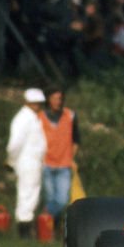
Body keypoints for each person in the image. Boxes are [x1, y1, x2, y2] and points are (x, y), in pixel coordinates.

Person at [6, 88, 48, 238]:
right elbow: (15, 144)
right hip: (26, 161)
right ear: (27, 102)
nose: (37, 105)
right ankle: (23, 231)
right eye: (34, 103)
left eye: (39, 103)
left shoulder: (33, 118)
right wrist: (11, 161)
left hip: (34, 162)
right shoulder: (23, 119)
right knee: (27, 194)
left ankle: (26, 228)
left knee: (32, 195)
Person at [39, 86, 79, 224]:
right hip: (46, 164)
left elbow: (76, 140)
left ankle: (42, 219)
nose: (58, 101)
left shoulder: (70, 115)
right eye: (54, 98)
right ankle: (48, 229)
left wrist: (71, 157)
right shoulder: (40, 117)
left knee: (62, 201)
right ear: (48, 99)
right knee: (49, 198)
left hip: (64, 165)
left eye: (60, 98)